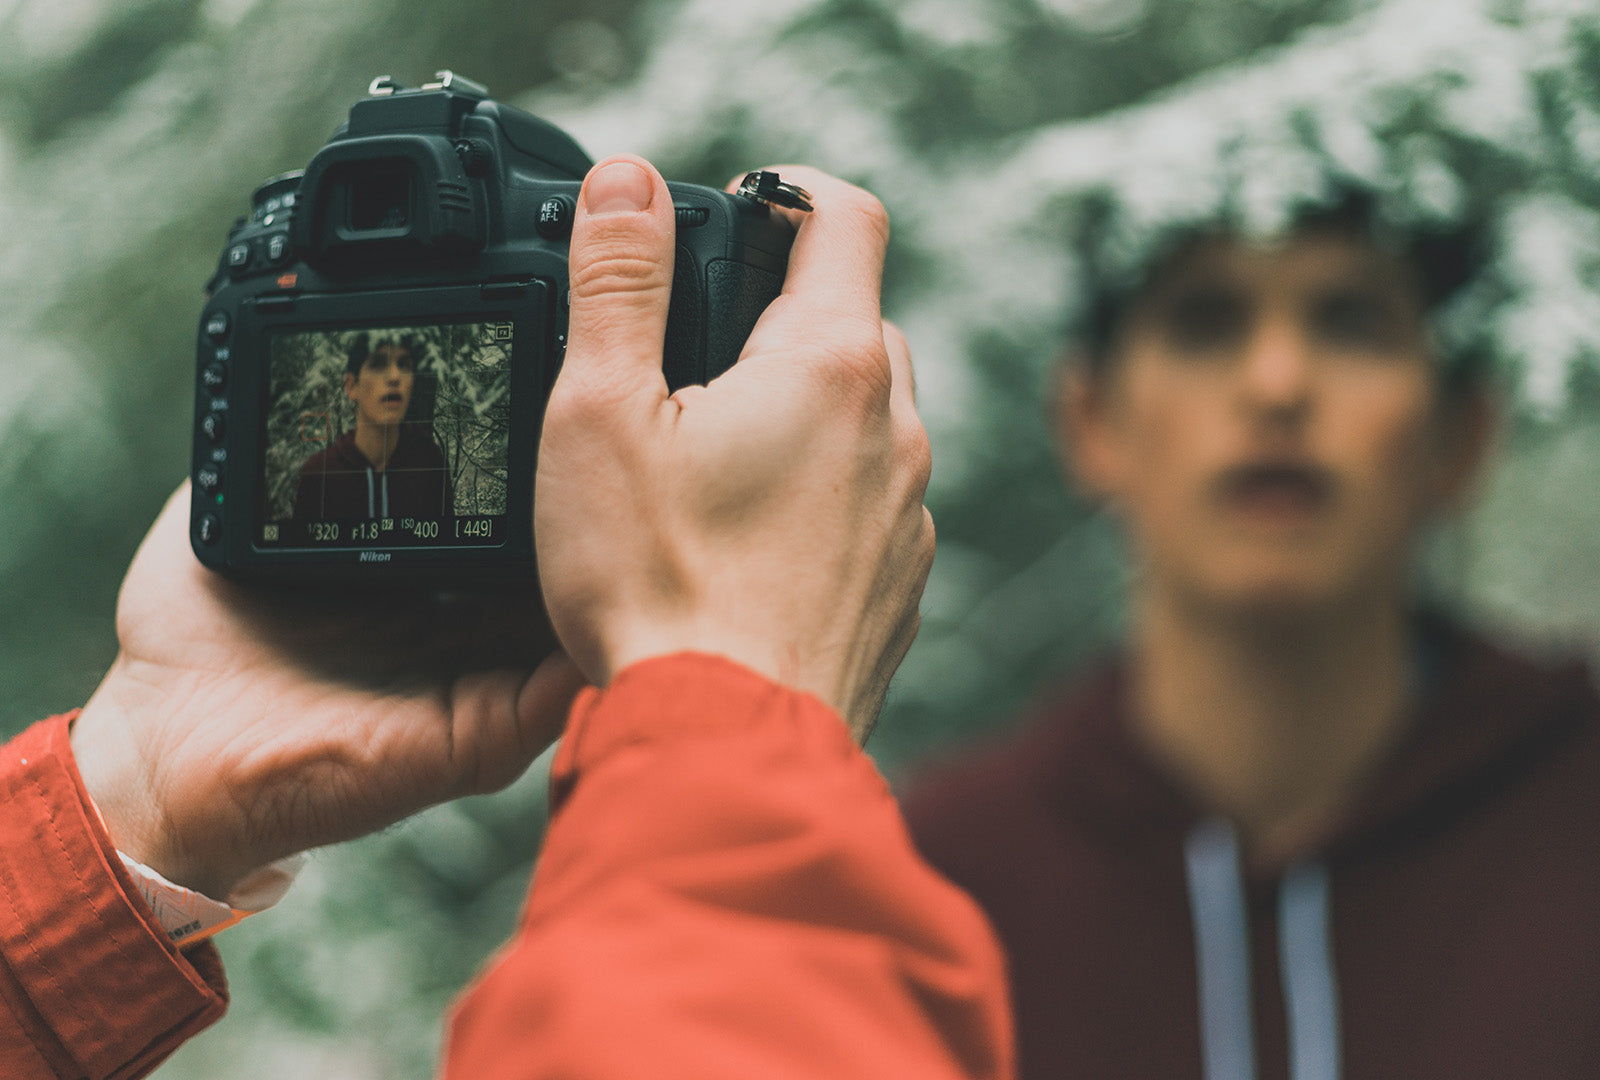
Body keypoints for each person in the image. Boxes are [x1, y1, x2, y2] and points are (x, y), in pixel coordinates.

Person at [0, 158, 1012, 1079]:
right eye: (376, 370)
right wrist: (740, 694)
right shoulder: (326, 474)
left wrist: (137, 789)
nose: (394, 380)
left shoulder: (445, 461)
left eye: (410, 370)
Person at [901, 200, 1600, 1078]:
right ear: (1090, 419)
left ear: (1463, 432)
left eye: (1353, 323)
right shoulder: (938, 889)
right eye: (1204, 323)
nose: (1277, 383)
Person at [290, 333, 454, 522]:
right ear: (352, 386)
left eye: (404, 365)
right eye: (378, 364)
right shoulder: (319, 473)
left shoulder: (429, 461)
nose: (394, 377)